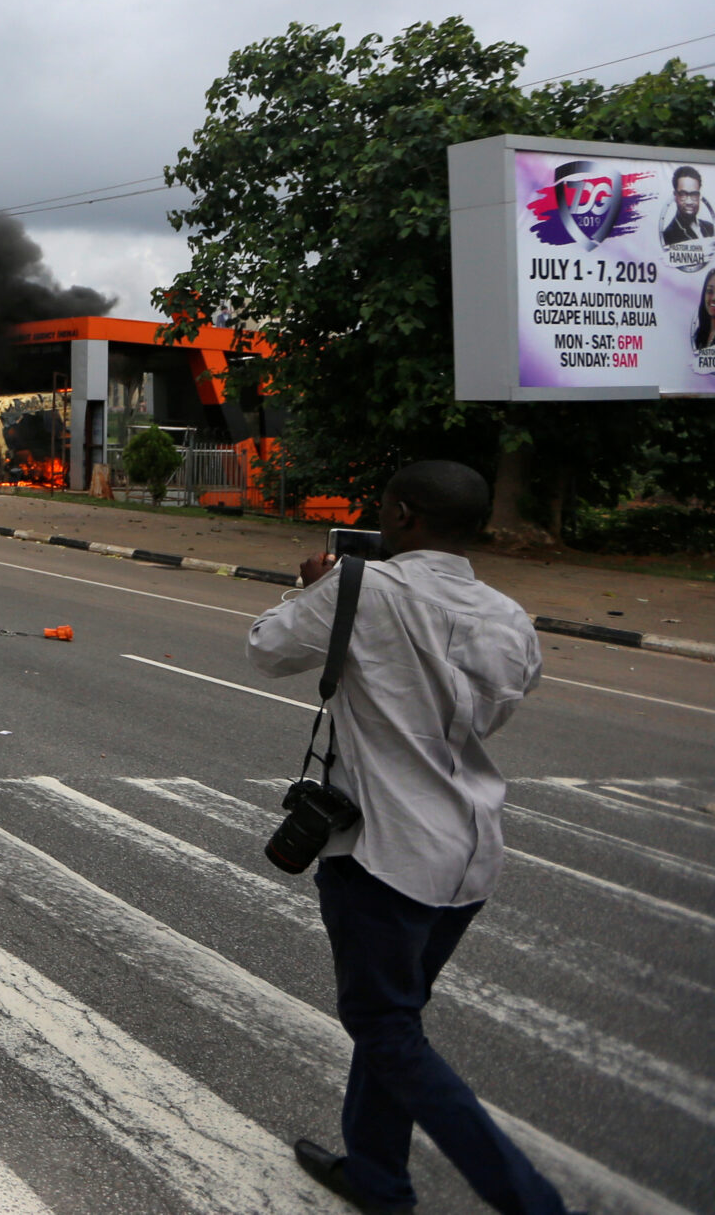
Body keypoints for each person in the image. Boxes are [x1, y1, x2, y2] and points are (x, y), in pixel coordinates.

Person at [247, 461, 564, 1215]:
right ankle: (378, 1178)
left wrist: (316, 586)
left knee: (386, 1028)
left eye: (384, 505)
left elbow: (266, 646)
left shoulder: (362, 590)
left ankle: (534, 1203)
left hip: (383, 856)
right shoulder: (509, 615)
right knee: (395, 1016)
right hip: (471, 852)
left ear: (404, 514)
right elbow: (503, 699)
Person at [664, 166, 713, 245]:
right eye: (683, 194)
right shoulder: (668, 236)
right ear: (675, 196)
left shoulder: (710, 227)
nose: (689, 202)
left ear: (699, 196)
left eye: (694, 194)